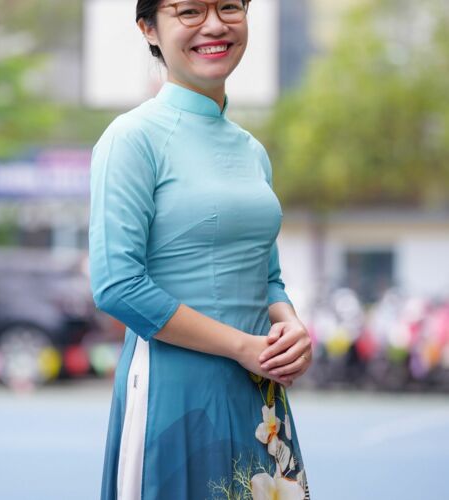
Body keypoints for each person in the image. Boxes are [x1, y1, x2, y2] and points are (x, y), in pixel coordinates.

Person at [89, 1, 313, 498]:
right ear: (149, 28)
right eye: (189, 11)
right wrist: (242, 347)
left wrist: (291, 326)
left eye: (229, 6)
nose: (214, 25)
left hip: (258, 394)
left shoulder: (252, 150)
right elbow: (117, 286)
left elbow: (267, 278)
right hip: (174, 395)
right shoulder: (131, 138)